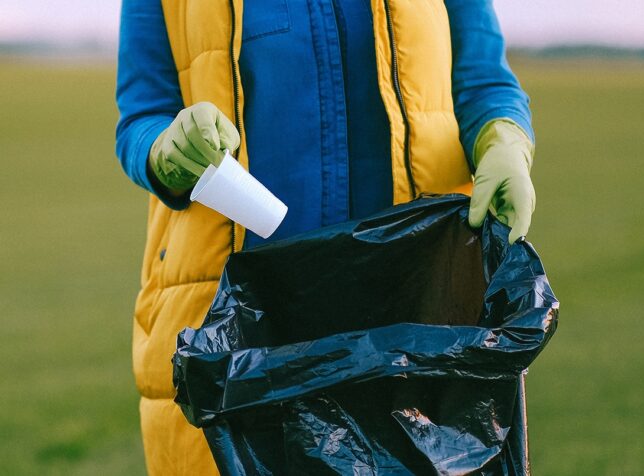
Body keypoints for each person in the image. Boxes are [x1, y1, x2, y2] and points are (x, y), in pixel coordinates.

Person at [116, 0, 535, 473]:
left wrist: (504, 140)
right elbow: (141, 115)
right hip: (243, 326)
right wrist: (166, 149)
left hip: (415, 317)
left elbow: (484, 81)